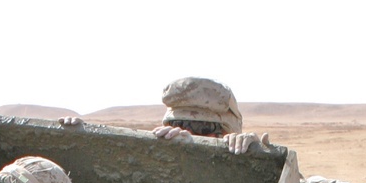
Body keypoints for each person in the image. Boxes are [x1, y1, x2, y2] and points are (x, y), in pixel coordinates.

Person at [62, 75, 266, 155]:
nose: (188, 134)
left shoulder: (242, 161)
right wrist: (77, 143)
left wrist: (260, 157)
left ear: (226, 133)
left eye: (204, 129)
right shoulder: (145, 161)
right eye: (179, 124)